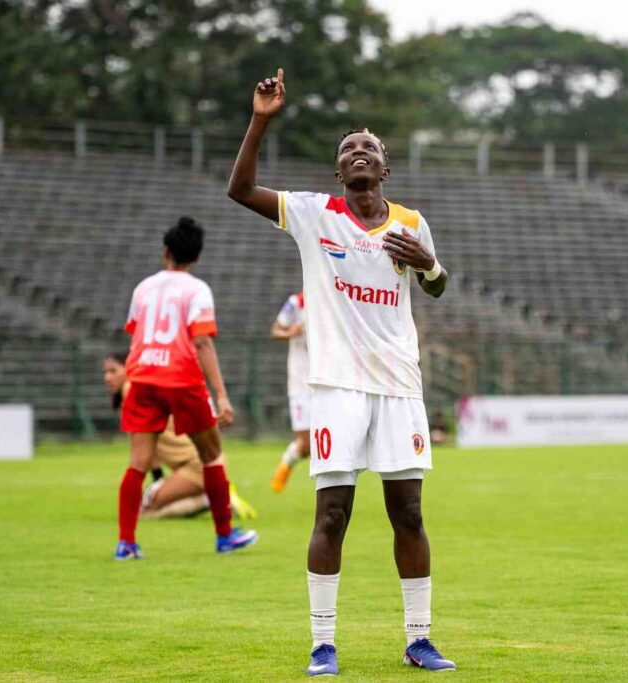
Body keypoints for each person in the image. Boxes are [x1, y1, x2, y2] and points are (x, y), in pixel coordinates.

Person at [227, 68, 456, 674]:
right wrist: (260, 121)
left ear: (385, 170)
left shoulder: (410, 223)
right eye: (348, 149)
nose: (359, 153)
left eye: (370, 149)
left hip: (400, 388)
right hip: (334, 388)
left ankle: (419, 639)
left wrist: (429, 264)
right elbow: (240, 189)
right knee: (333, 513)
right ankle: (323, 643)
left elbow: (437, 287)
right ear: (338, 172)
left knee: (408, 512)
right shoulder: (314, 213)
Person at [115, 216, 258, 559]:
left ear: (166, 251)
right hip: (181, 379)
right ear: (196, 258)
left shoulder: (143, 288)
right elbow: (203, 343)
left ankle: (126, 543)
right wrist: (221, 395)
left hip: (143, 377)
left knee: (138, 462)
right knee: (211, 456)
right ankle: (225, 537)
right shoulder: (197, 290)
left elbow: (135, 332)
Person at [102, 351, 257, 521]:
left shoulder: (131, 390)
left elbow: (143, 448)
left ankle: (213, 500)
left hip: (196, 467)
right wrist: (159, 482)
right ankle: (214, 497)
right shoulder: (139, 390)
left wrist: (157, 481)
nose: (107, 378)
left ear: (129, 368)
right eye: (105, 372)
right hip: (201, 463)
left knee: (145, 512)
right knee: (147, 508)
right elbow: (150, 446)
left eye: (113, 371)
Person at [269, 291, 311, 492]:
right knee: (305, 445)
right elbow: (276, 330)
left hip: (326, 380)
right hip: (300, 381)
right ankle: (286, 464)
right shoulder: (297, 303)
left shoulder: (333, 298)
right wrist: (290, 333)